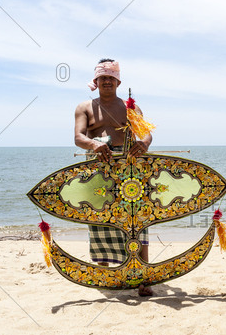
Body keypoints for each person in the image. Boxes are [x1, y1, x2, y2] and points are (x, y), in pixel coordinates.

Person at [74, 58, 154, 296]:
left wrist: (144, 144)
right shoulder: (84, 107)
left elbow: (146, 133)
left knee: (138, 218)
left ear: (118, 81)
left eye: (111, 77)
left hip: (130, 166)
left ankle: (143, 279)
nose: (107, 81)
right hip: (98, 165)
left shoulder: (130, 107)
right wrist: (93, 144)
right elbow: (78, 137)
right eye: (103, 77)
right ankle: (106, 276)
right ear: (96, 81)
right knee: (100, 218)